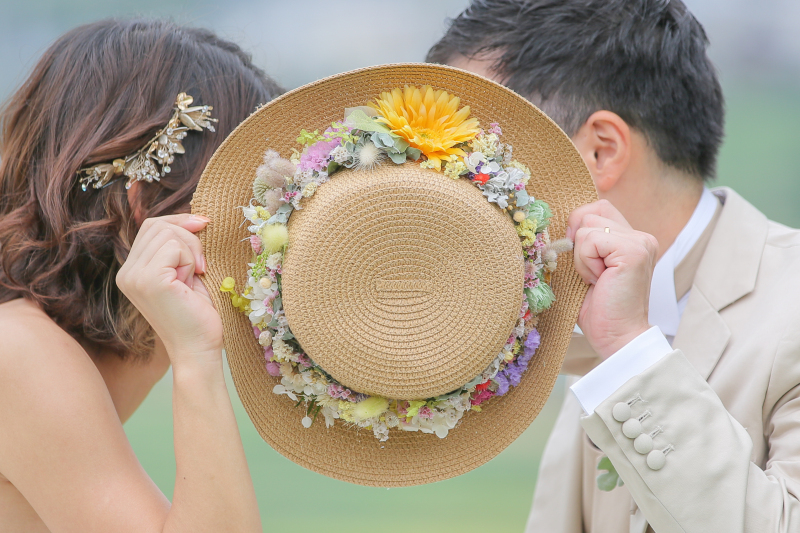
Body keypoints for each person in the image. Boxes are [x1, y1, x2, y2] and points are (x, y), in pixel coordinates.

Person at [429, 1, 800, 532]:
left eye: (479, 157)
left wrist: (629, 350)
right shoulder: (572, 306)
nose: (452, 187)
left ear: (601, 151)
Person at [0, 19, 283, 532]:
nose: (270, 232)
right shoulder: (17, 351)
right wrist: (195, 357)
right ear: (144, 202)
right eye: (251, 200)